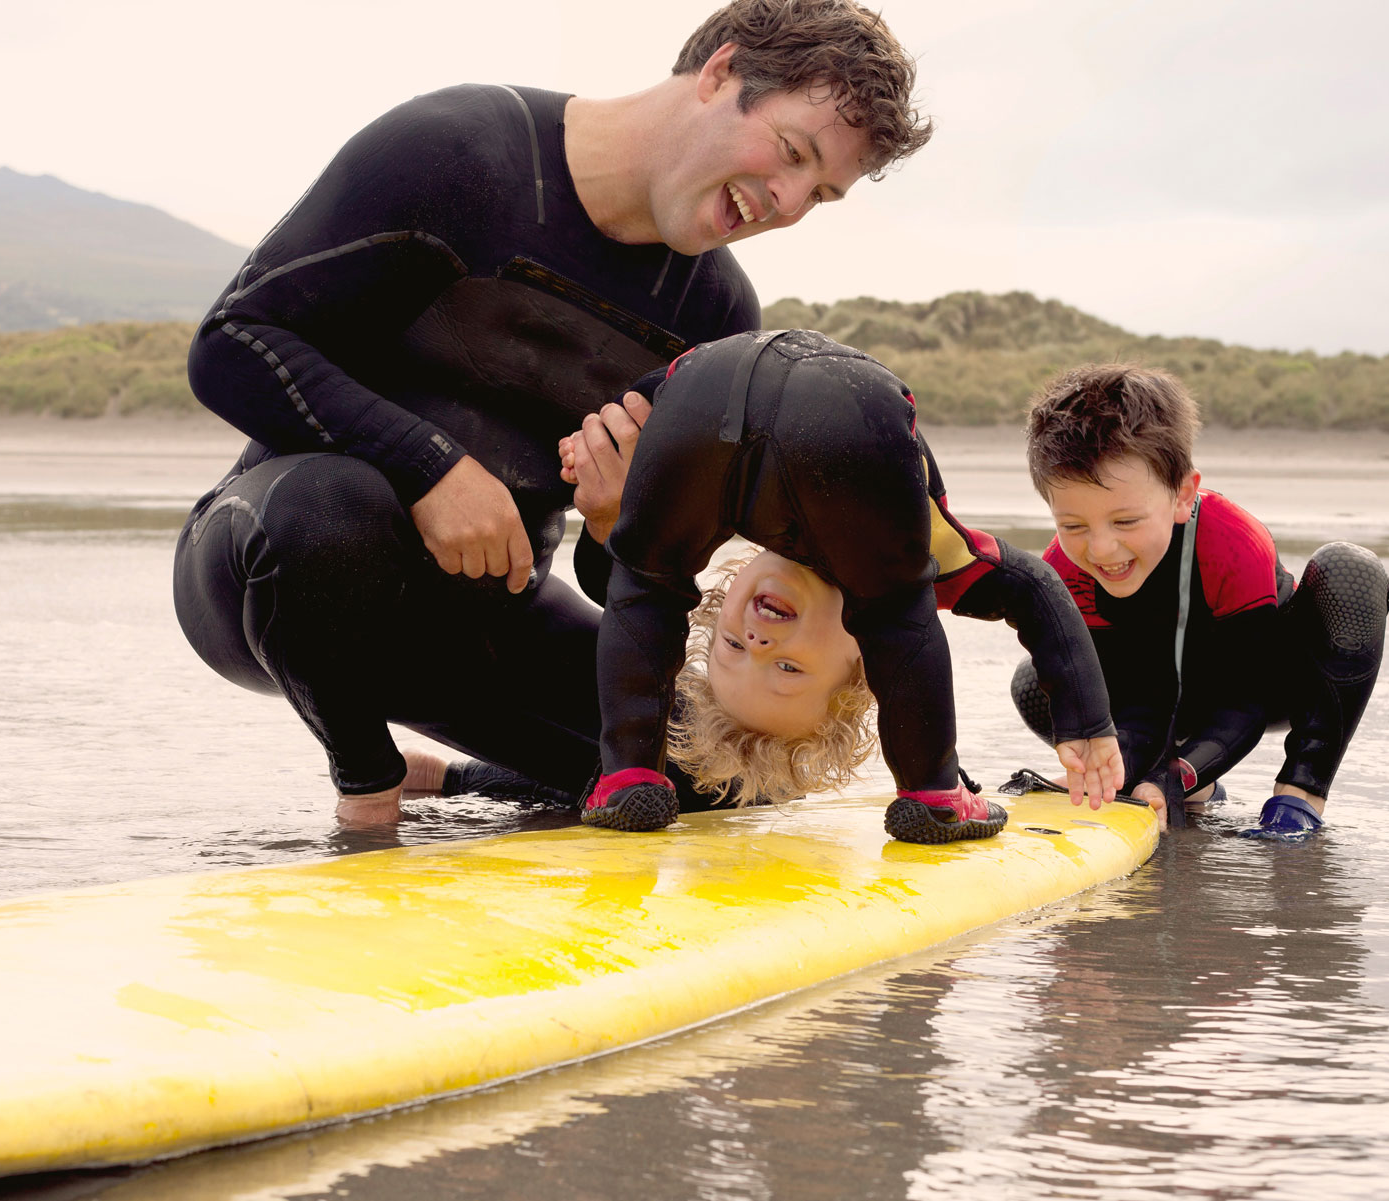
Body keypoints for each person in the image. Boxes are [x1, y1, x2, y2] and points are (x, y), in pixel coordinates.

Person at [176, 0, 933, 826]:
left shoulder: (716, 314)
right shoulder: (460, 150)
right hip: (274, 574)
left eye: (819, 193)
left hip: (484, 622)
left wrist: (616, 524)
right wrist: (428, 466)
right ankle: (366, 789)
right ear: (721, 73)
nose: (786, 202)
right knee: (329, 514)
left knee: (715, 774)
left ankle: (457, 780)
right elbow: (231, 343)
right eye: (792, 152)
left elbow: (621, 589)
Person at [568, 329, 1124, 841]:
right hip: (832, 407)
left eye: (731, 647)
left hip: (698, 388)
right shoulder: (926, 559)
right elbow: (1032, 586)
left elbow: (623, 588)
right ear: (866, 663)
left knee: (646, 580)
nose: (758, 645)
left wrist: (600, 440)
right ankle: (932, 792)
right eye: (788, 669)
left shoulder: (710, 517)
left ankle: (631, 776)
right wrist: (1087, 720)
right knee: (893, 608)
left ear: (719, 601)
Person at [1014, 363, 1389, 838]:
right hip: (1164, 687)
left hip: (1273, 680)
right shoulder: (1066, 570)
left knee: (1350, 568)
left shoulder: (1231, 540)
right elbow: (1132, 703)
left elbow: (1245, 703)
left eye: (1126, 521)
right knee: (1036, 683)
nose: (1102, 549)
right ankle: (1188, 786)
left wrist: (1174, 775)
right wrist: (1121, 772)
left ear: (1182, 495)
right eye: (1073, 526)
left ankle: (1301, 792)